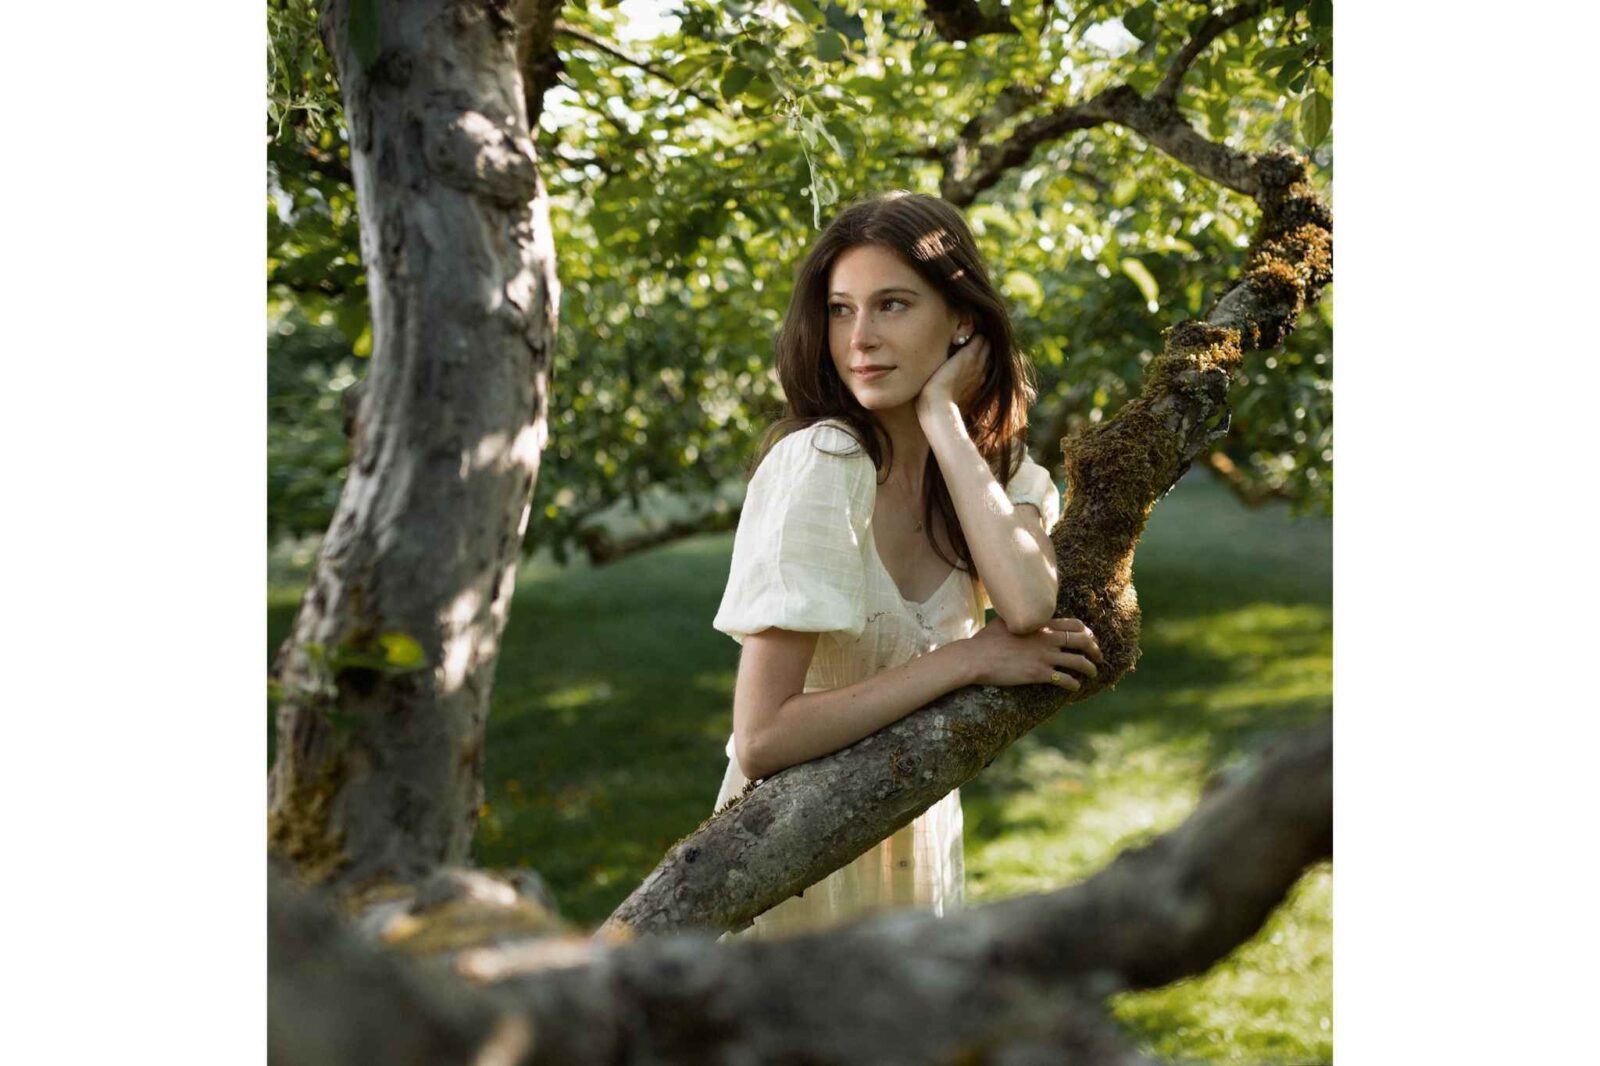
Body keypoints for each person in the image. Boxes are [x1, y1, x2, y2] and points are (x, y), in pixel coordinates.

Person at [710, 191, 1104, 939]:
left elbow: (1026, 606)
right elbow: (763, 738)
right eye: (840, 309)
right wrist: (965, 660)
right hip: (792, 850)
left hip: (912, 832)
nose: (860, 338)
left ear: (962, 320)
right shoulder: (824, 463)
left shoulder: (995, 473)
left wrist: (944, 423)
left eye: (892, 305)